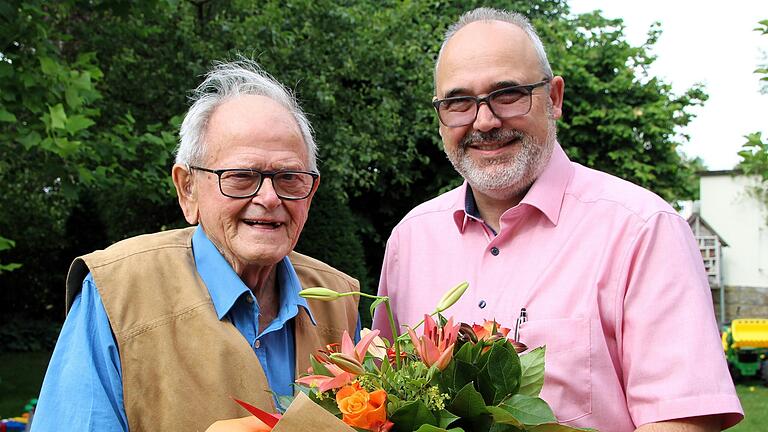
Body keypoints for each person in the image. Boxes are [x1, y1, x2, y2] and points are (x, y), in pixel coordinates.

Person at [372, 8, 743, 432]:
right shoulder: (411, 240)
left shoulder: (643, 230)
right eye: (459, 103)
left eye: (507, 93)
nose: (485, 121)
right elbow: (386, 403)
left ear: (554, 98)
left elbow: (684, 421)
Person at [32, 60, 360, 431]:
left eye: (289, 177)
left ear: (311, 191)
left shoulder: (340, 299)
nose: (269, 197)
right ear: (188, 188)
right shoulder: (118, 291)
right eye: (240, 176)